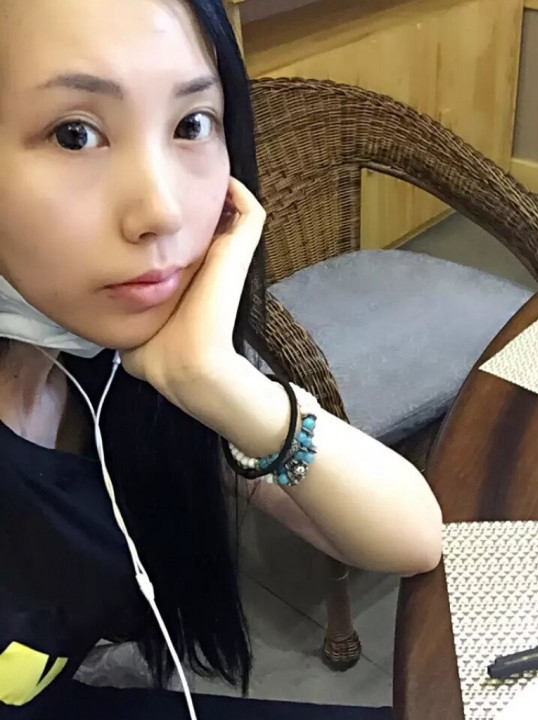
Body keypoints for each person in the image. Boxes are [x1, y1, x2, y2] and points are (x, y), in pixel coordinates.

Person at [0, 0, 444, 718]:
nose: (162, 210)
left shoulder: (110, 356)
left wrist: (219, 383)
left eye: (191, 124)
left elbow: (414, 539)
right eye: (74, 133)